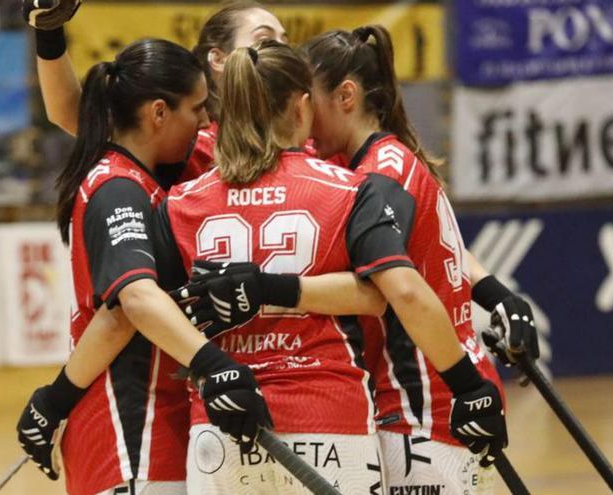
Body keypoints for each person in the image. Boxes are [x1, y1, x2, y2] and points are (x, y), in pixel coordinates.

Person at [154, 39, 506, 495]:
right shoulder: (348, 190)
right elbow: (401, 293)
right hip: (328, 418)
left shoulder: (179, 204)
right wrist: (468, 384)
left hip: (220, 427)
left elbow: (154, 310)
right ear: (302, 107)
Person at [14, 39, 272, 495]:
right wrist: (215, 365)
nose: (205, 121)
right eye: (196, 109)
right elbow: (129, 303)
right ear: (158, 113)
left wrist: (54, 402)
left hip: (144, 430)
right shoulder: (118, 188)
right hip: (130, 433)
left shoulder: (143, 180)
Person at [26, 0, 288, 185]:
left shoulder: (312, 133)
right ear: (218, 59)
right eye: (264, 39)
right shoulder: (189, 136)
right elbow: (70, 113)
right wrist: (49, 32)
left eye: (285, 40)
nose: (281, 49)